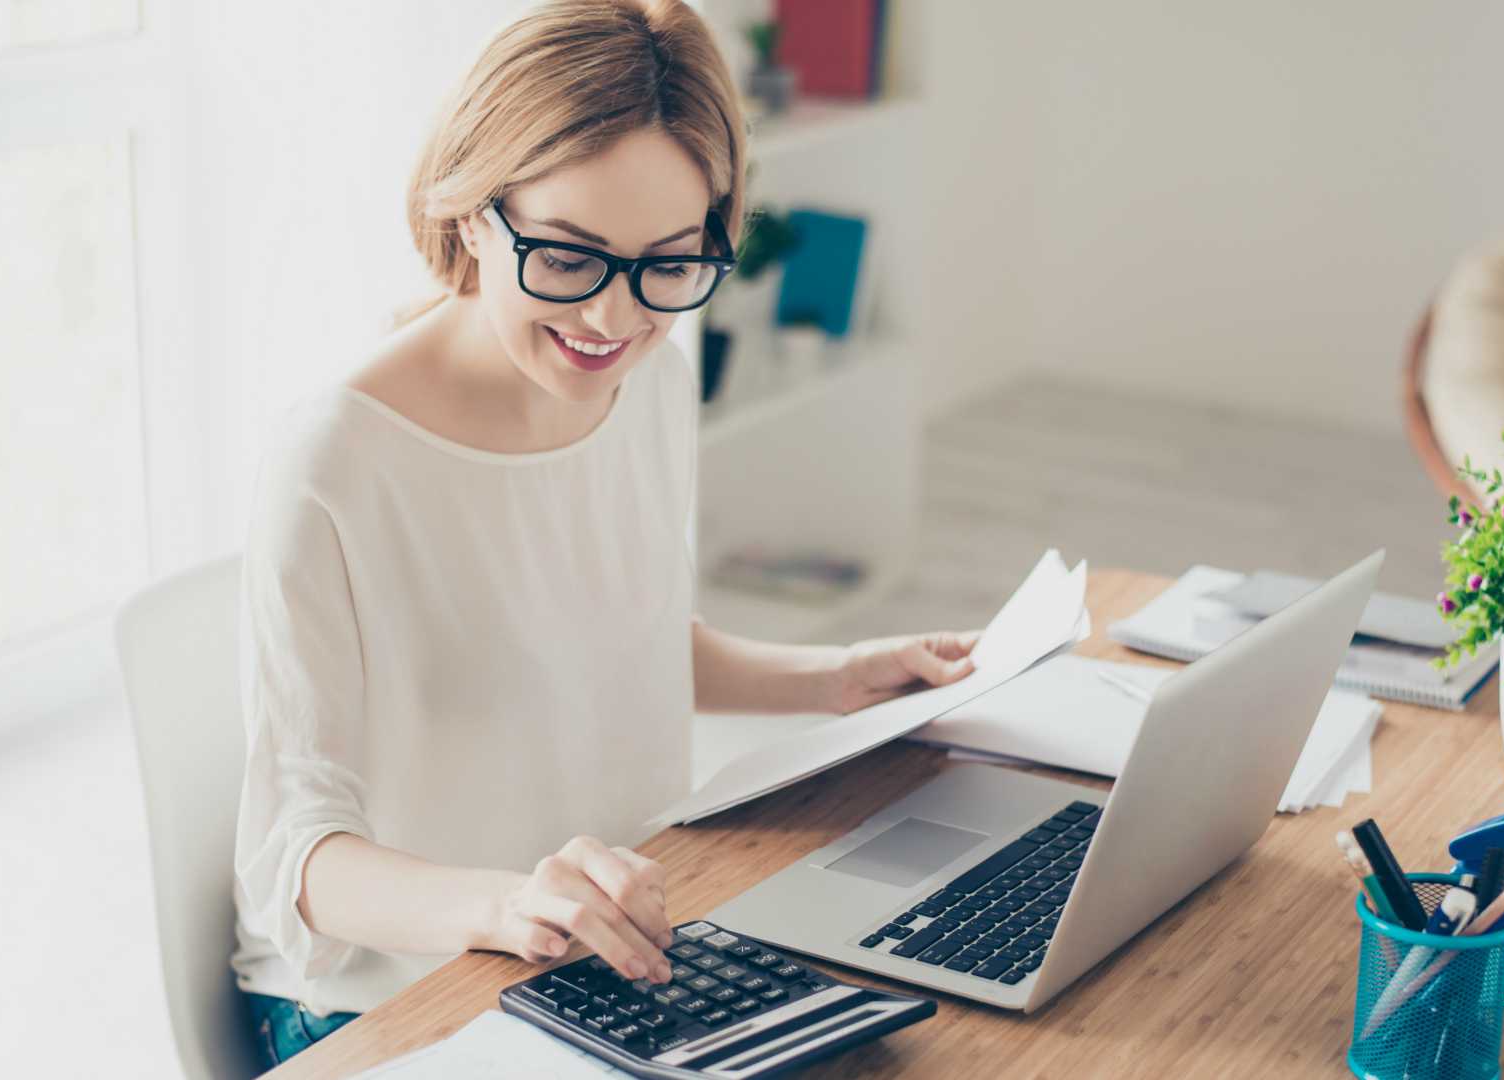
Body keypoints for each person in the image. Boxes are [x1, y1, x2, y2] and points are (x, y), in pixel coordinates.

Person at [228, 0, 977, 1065]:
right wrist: (509, 905)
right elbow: (295, 857)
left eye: (668, 263)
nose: (614, 319)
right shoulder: (337, 460)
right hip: (386, 1005)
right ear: (474, 213)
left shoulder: (647, 382)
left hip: (610, 965)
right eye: (569, 257)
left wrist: (839, 677)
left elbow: (623, 639)